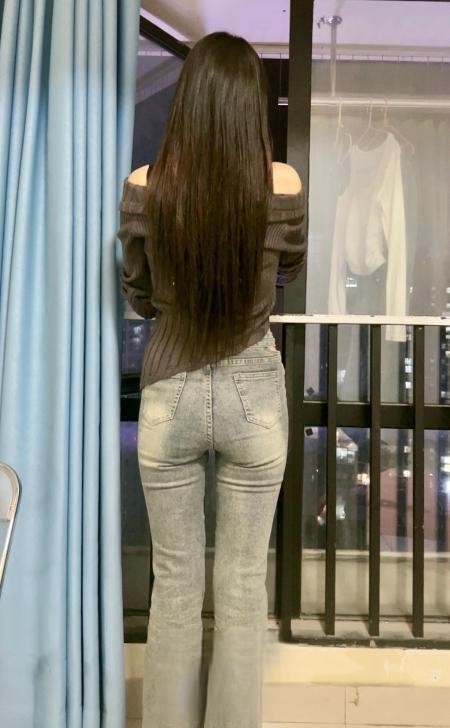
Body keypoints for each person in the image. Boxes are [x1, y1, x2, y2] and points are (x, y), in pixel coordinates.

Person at [118, 30, 307, 728]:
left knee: (174, 589)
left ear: (188, 99)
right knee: (242, 589)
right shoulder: (282, 185)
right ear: (251, 104)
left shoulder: (145, 187)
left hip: (169, 390)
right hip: (254, 393)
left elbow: (138, 292)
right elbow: (289, 271)